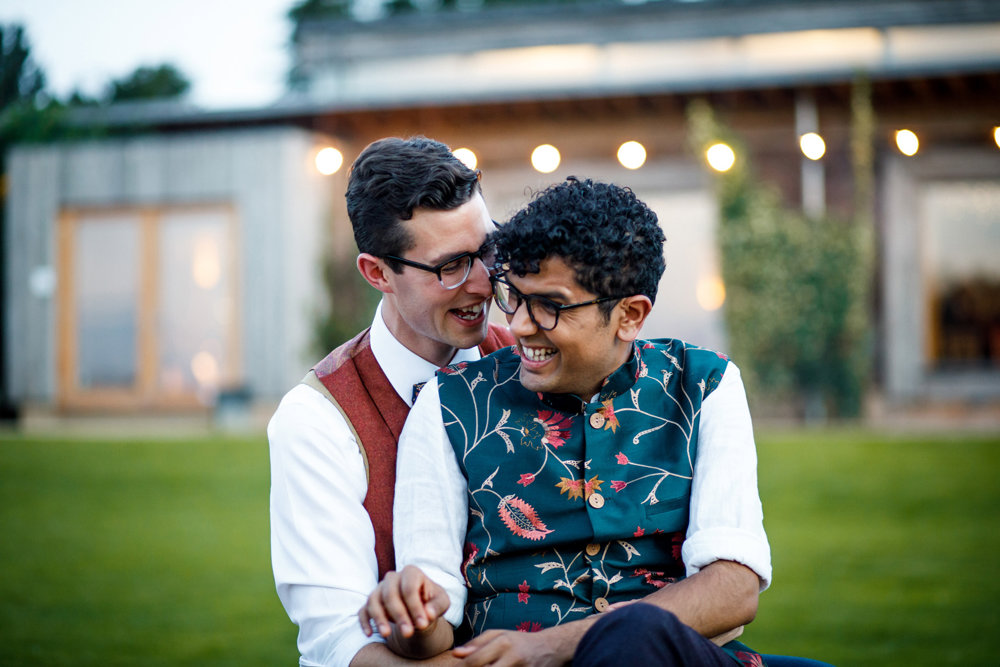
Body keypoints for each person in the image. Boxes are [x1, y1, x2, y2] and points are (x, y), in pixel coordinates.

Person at [360, 176, 775, 666]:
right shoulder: (449, 405)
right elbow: (434, 627)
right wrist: (414, 615)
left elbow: (733, 586)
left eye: (550, 306)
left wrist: (550, 647)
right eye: (512, 296)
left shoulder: (704, 385)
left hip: (673, 657)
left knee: (638, 637)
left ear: (629, 316)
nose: (517, 326)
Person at [268, 136, 514, 666]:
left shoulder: (533, 360)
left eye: (488, 251)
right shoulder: (317, 419)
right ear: (377, 273)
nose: (481, 284)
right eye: (450, 266)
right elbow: (339, 641)